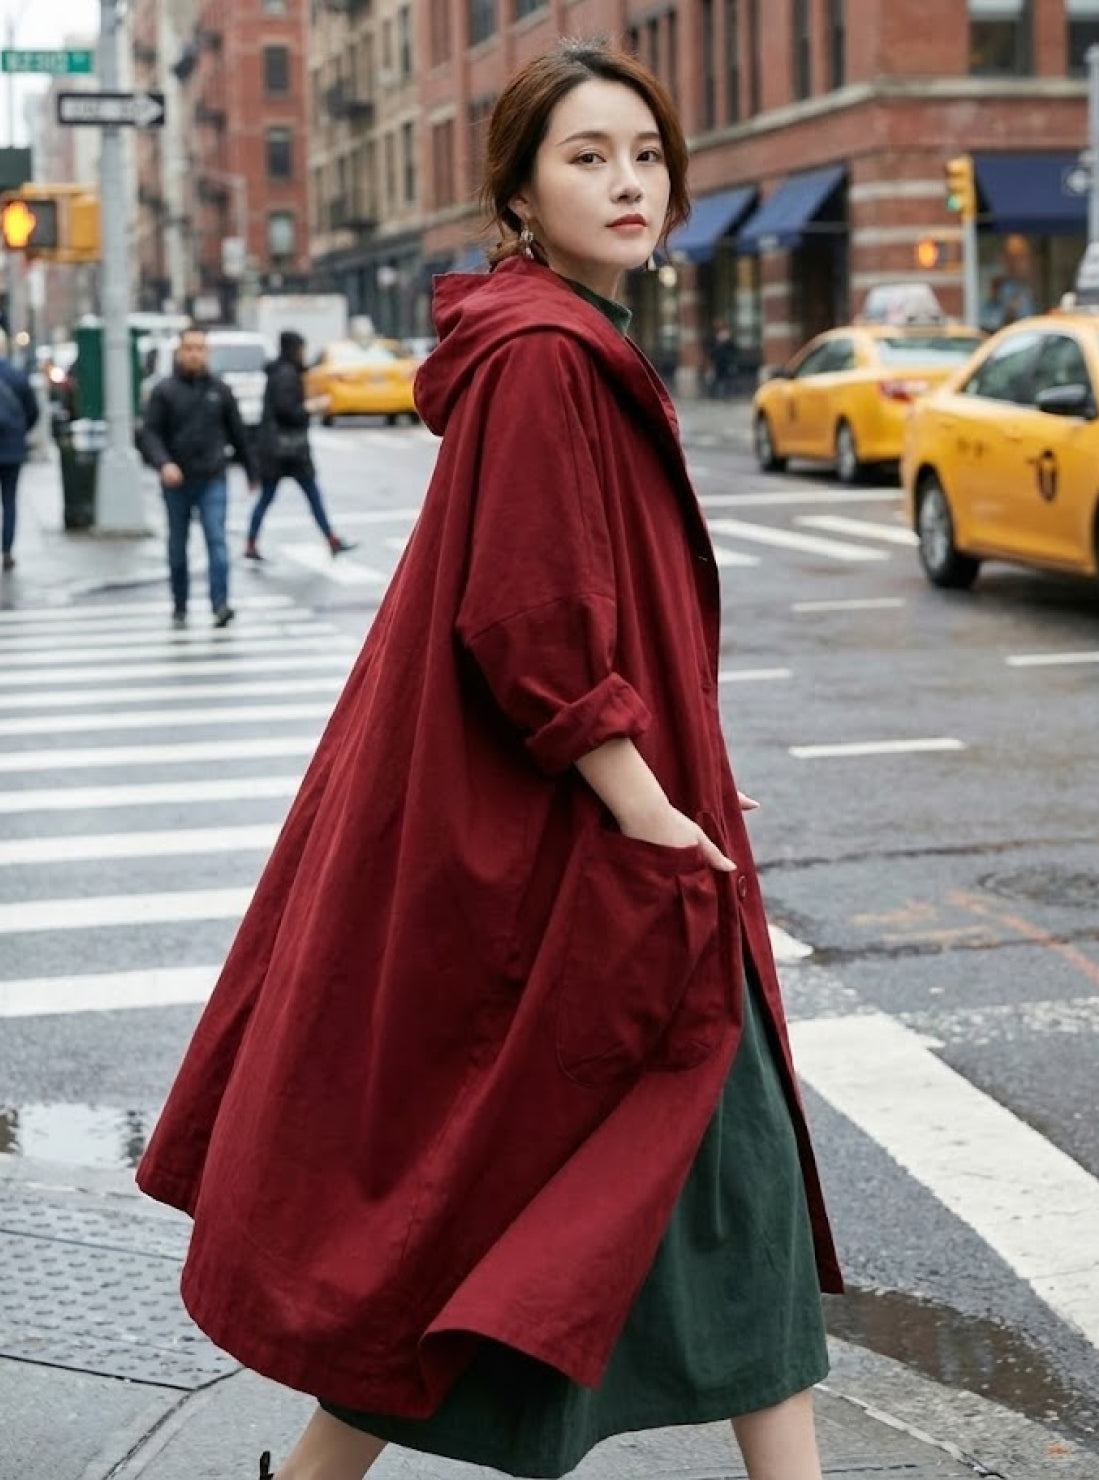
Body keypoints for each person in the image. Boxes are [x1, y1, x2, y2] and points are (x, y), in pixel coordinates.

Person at [136, 38, 841, 1480]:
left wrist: (682, 772)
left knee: (532, 1197)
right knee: (717, 1181)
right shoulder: (542, 356)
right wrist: (644, 801)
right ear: (518, 194)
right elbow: (528, 621)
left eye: (645, 155)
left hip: (594, 837)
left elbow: (585, 607)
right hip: (579, 859)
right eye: (587, 157)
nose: (630, 181)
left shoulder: (563, 339)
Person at [140, 324, 258, 628]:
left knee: (216, 540)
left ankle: (220, 604)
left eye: (200, 349)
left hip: (212, 477)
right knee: (177, 546)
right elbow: (150, 434)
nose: (194, 354)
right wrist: (164, 464)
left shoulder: (220, 390)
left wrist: (252, 471)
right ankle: (180, 604)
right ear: (179, 352)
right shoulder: (164, 391)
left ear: (207, 353)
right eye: (189, 348)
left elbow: (238, 433)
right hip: (177, 480)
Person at [244, 330, 355, 562]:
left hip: (278, 450)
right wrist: (312, 407)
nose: (304, 353)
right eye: (302, 349)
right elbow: (288, 411)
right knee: (308, 495)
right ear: (294, 349)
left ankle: (252, 543)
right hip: (287, 451)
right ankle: (330, 539)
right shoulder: (286, 374)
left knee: (278, 497)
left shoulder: (281, 371)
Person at [0, 328, 41, 574]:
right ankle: (7, 550)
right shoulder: (18, 376)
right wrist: (20, 431)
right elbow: (33, 411)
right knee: (10, 501)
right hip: (12, 450)